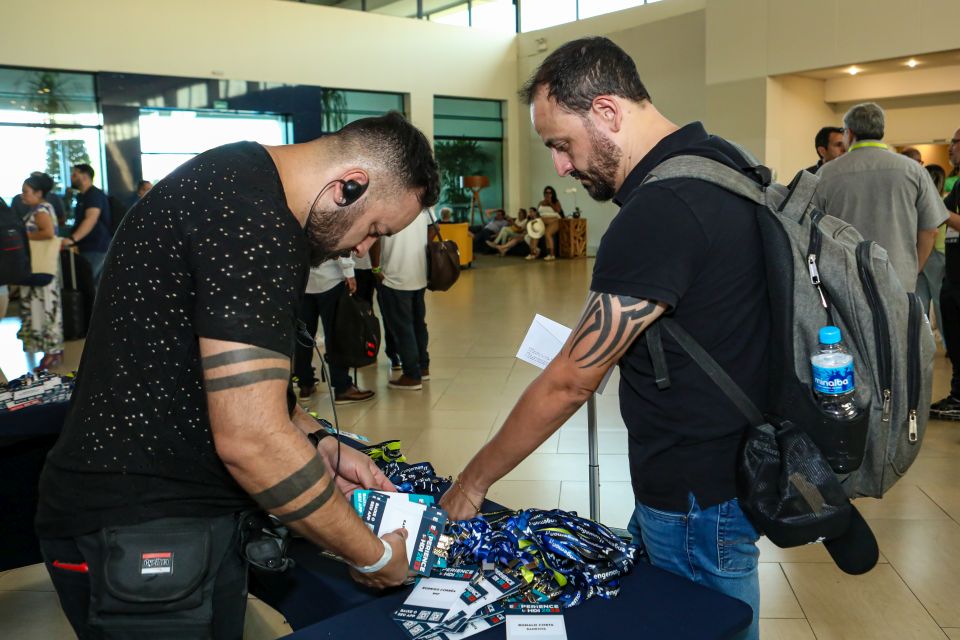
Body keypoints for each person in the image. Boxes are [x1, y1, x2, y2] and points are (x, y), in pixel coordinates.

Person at [35, 112, 439, 637]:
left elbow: (228, 380)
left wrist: (319, 440)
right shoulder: (254, 221)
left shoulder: (234, 176)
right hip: (143, 525)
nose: (362, 249)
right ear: (350, 185)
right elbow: (251, 439)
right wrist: (374, 555)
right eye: (374, 230)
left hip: (151, 511)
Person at [440, 37, 768, 639]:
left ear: (608, 112)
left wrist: (472, 482)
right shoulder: (722, 161)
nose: (561, 167)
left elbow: (571, 381)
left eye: (561, 144)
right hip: (725, 466)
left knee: (702, 629)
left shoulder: (661, 209)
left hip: (695, 490)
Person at [814, 103, 946, 293]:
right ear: (881, 131)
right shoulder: (913, 170)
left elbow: (811, 227)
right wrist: (913, 270)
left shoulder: (826, 174)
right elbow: (931, 230)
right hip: (898, 279)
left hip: (844, 280)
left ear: (850, 133)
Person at [294, 256, 376, 404]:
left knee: (303, 336)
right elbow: (338, 245)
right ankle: (342, 386)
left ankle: (305, 383)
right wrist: (349, 272)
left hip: (302, 281)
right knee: (336, 334)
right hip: (329, 279)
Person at [374, 209, 431, 391]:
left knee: (402, 327)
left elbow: (375, 238)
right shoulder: (423, 203)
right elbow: (432, 229)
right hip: (418, 272)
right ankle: (423, 367)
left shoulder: (385, 205)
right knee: (418, 323)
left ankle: (412, 375)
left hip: (394, 276)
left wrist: (375, 268)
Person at [17, 173, 64, 370]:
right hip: (43, 267)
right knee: (46, 308)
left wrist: (23, 236)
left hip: (41, 267)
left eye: (26, 191)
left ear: (38, 193)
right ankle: (52, 351)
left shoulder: (41, 210)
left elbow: (48, 233)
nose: (23, 195)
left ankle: (52, 352)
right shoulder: (42, 208)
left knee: (45, 309)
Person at [931, 127, 960, 421]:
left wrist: (935, 210)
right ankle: (957, 396)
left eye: (955, 142)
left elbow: (941, 214)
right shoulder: (958, 184)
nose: (950, 147)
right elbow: (938, 213)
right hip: (952, 276)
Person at [63, 163, 113, 283]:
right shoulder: (83, 196)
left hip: (95, 247)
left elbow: (91, 219)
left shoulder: (93, 194)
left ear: (85, 176)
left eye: (75, 175)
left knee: (89, 283)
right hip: (90, 246)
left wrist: (72, 239)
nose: (71, 178)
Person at [918, 165, 948, 332]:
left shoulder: (918, 202)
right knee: (939, 300)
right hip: (937, 252)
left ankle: (922, 341)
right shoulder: (942, 203)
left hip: (918, 251)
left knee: (920, 301)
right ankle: (947, 340)